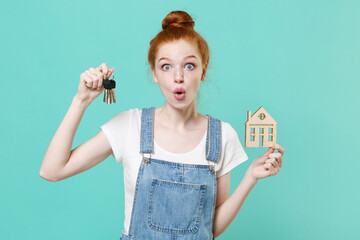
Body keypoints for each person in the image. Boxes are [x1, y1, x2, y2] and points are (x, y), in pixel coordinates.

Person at [40, 10, 285, 240]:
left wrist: (250, 177)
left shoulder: (223, 135)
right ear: (155, 73)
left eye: (189, 65)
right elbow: (52, 170)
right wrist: (81, 100)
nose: (178, 76)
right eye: (166, 66)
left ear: (203, 72)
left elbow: (210, 229)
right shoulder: (130, 126)